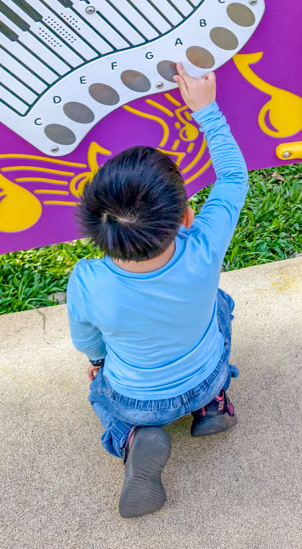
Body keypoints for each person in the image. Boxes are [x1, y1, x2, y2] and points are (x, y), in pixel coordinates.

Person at [68, 65, 249, 517]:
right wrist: (207, 110)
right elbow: (233, 179)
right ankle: (213, 405)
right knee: (220, 305)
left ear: (95, 229)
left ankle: (131, 438)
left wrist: (96, 363)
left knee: (99, 387)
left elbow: (85, 340)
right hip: (206, 373)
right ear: (187, 217)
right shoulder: (202, 246)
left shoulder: (88, 280)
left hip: (137, 400)